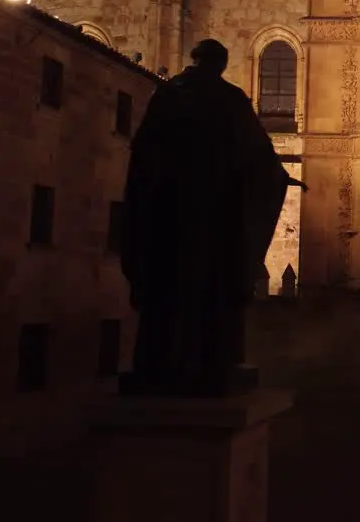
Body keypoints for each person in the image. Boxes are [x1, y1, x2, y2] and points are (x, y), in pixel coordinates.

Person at [119, 38, 303, 397]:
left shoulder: (168, 94)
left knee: (167, 285)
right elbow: (257, 152)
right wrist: (279, 177)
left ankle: (158, 362)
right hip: (216, 211)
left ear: (195, 58)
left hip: (169, 209)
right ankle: (213, 360)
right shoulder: (230, 99)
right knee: (214, 284)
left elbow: (143, 150)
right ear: (219, 63)